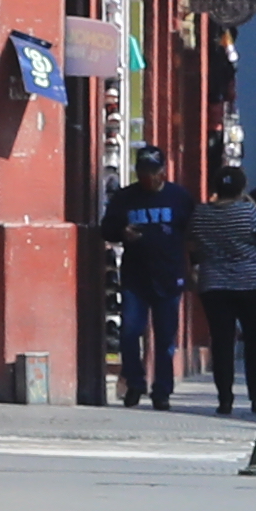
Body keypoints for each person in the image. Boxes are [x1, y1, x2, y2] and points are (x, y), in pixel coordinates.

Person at [107, 146, 193, 412]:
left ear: (163, 171)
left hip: (168, 277)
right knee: (131, 332)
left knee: (165, 338)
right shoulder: (125, 198)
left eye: (153, 172)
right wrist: (123, 232)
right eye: (143, 172)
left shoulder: (179, 198)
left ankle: (162, 390)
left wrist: (194, 268)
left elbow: (192, 234)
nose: (148, 178)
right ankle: (135, 381)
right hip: (135, 277)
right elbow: (106, 228)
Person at [187, 161, 256, 415]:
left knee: (222, 341)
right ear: (242, 188)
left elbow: (193, 247)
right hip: (251, 283)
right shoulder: (248, 213)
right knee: (255, 340)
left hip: (213, 283)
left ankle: (224, 398)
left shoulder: (201, 213)